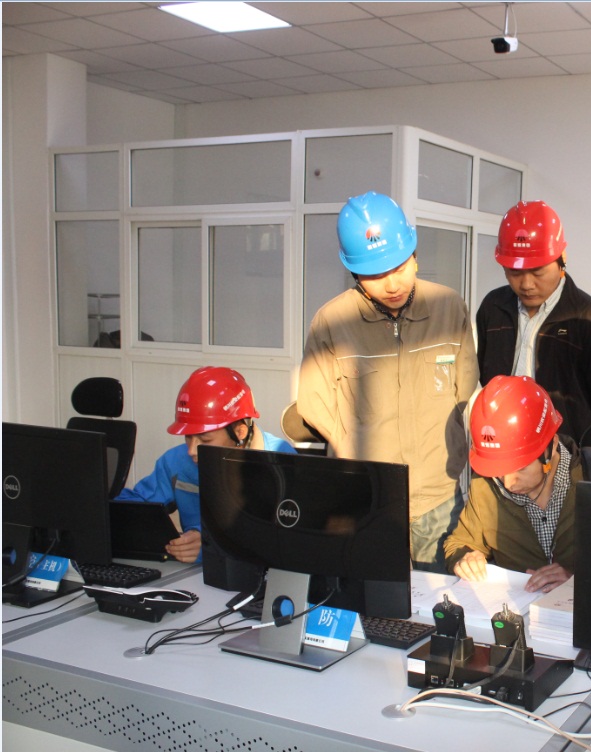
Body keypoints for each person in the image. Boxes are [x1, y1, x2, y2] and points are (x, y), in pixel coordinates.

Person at [298, 191, 478, 572]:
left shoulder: (449, 308)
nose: (392, 284)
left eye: (399, 267)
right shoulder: (332, 322)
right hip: (367, 500)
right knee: (371, 598)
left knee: (440, 597)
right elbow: (313, 402)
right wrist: (348, 446)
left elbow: (465, 385)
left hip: (437, 496)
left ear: (414, 256)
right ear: (354, 273)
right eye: (376, 275)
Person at [444, 375, 591, 593]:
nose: (508, 483)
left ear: (551, 447)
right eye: (499, 471)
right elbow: (459, 543)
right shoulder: (484, 486)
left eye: (520, 468)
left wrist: (578, 582)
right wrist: (464, 559)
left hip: (584, 611)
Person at [476, 200, 591, 443]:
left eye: (538, 272)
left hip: (566, 452)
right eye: (515, 272)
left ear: (562, 259)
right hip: (501, 444)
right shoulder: (493, 307)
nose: (526, 284)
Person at [117, 366, 296, 563]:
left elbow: (289, 539)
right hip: (193, 575)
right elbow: (133, 507)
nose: (192, 451)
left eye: (205, 439)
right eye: (188, 437)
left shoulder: (281, 463)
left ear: (240, 432)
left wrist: (211, 544)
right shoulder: (176, 462)